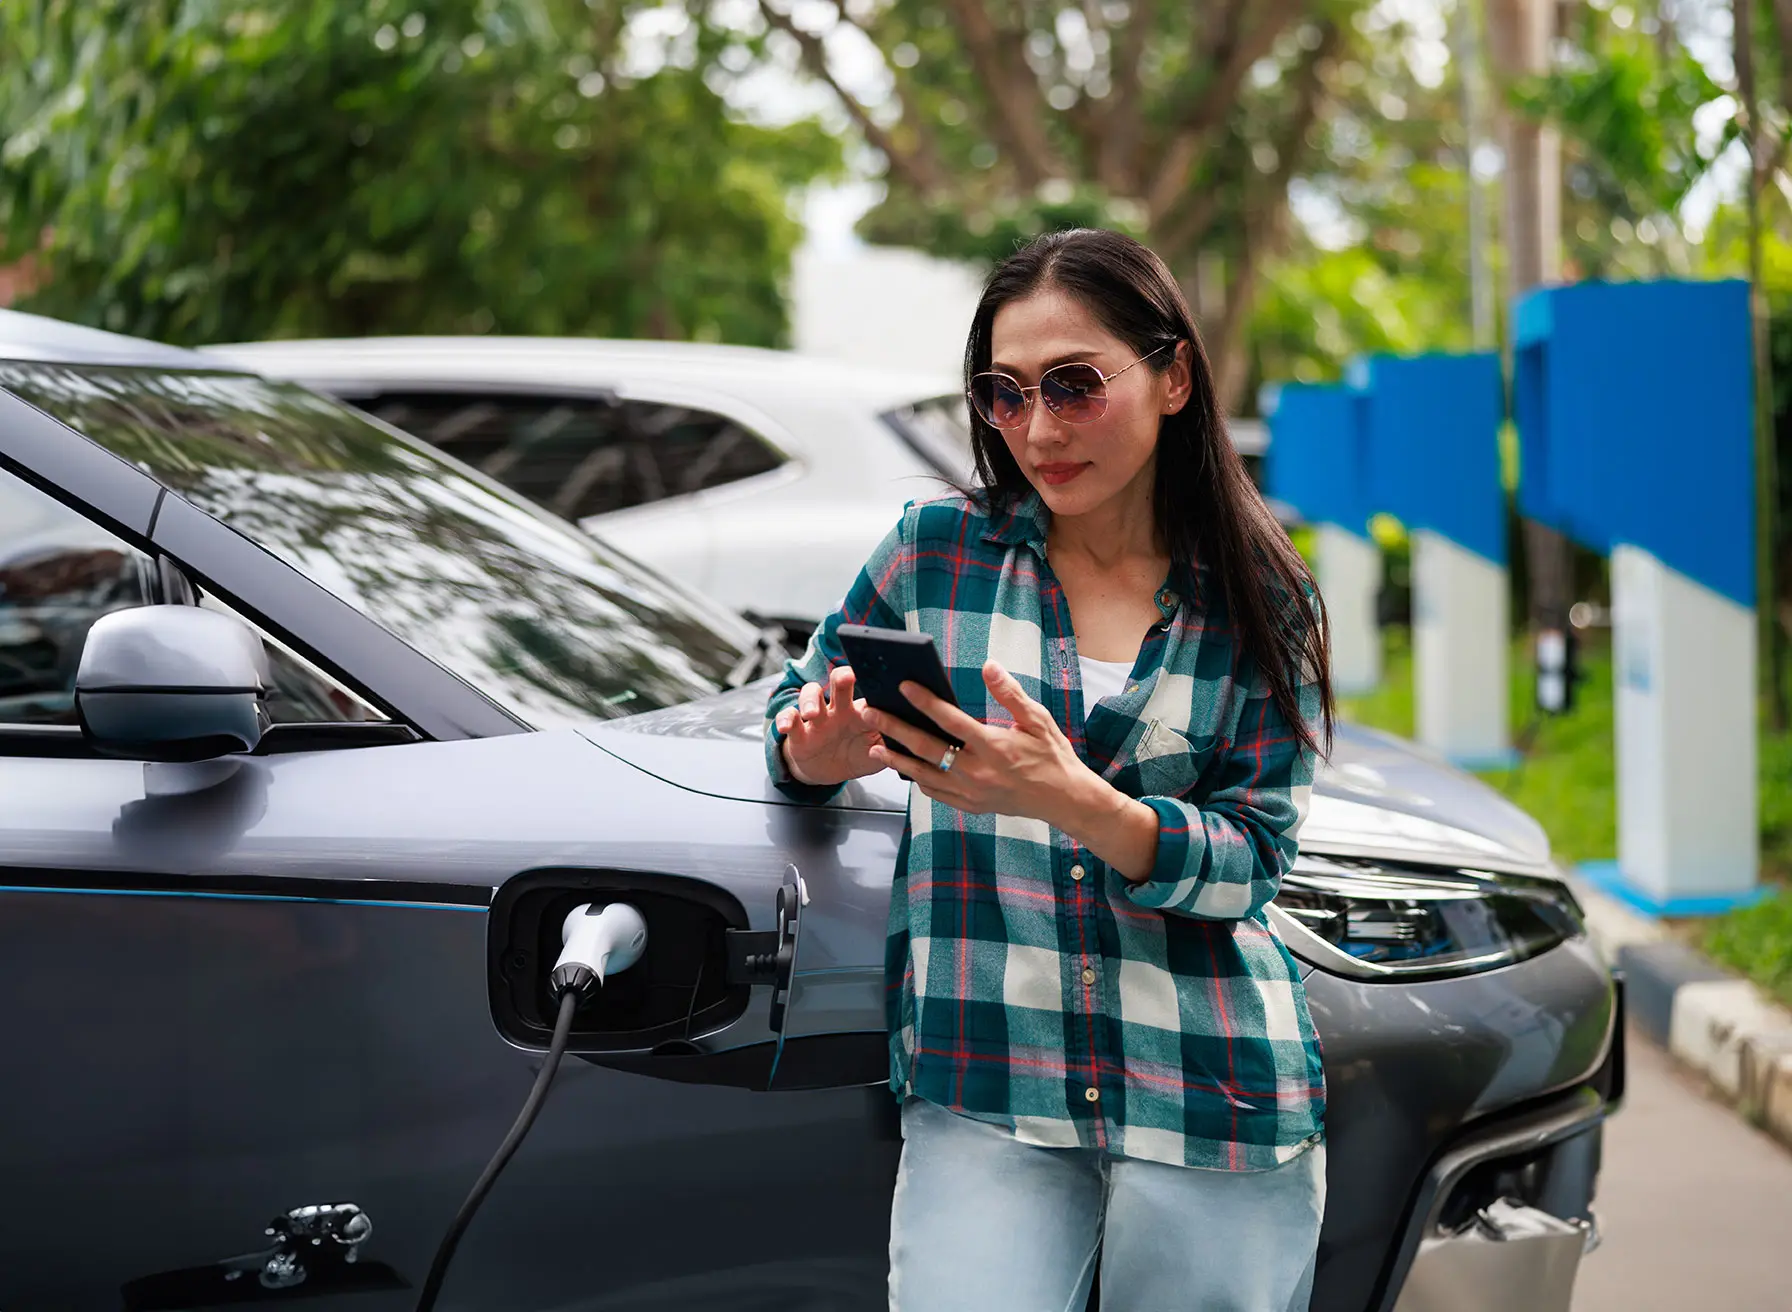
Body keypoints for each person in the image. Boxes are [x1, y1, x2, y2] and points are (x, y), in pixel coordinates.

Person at [763, 227, 1334, 1312]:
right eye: (1005, 393)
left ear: (1172, 376)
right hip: (986, 1081)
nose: (1038, 427)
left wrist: (1082, 804)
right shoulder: (933, 553)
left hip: (1205, 1092)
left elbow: (1254, 857)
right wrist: (818, 747)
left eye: (1074, 385)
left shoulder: (1263, 593)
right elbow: (800, 709)